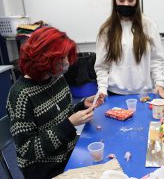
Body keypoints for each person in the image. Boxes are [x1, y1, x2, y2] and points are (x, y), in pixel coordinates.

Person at [6, 27, 104, 179]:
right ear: (42, 59)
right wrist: (69, 124)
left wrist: (82, 104)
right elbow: (28, 150)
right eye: (61, 59)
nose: (66, 63)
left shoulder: (56, 78)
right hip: (46, 167)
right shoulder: (20, 95)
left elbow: (62, 116)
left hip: (69, 152)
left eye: (66, 57)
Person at [94, 0, 164, 100]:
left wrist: (160, 84)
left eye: (131, 0)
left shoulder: (149, 25)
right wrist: (102, 89)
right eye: (121, 0)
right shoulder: (106, 29)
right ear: (115, 2)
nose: (126, 4)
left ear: (137, 1)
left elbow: (156, 60)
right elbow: (102, 66)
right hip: (114, 94)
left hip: (144, 94)